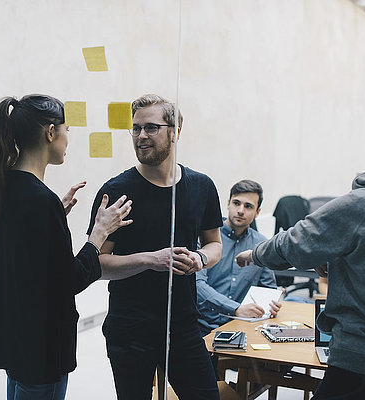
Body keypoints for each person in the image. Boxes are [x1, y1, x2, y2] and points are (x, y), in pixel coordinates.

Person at [236, 99, 365, 400]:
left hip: (361, 371)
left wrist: (254, 253)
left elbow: (295, 242)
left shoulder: (363, 205)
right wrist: (342, 263)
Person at [0, 94, 132, 400]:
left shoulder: (7, 185)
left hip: (18, 341)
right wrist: (98, 235)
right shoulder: (40, 200)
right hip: (41, 348)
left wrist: (55, 216)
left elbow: (23, 257)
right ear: (50, 133)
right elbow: (70, 279)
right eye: (66, 130)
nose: (68, 138)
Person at [87, 94, 223, 400]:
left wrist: (200, 259)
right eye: (135, 129)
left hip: (184, 325)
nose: (141, 136)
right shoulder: (116, 192)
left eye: (151, 128)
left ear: (175, 132)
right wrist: (151, 260)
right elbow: (97, 264)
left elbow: (215, 244)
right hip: (130, 328)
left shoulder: (201, 186)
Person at [196, 179, 280, 337]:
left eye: (248, 206)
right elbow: (197, 285)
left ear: (257, 212)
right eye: (236, 203)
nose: (241, 210)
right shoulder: (206, 237)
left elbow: (267, 289)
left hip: (243, 327)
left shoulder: (261, 244)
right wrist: (235, 308)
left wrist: (271, 304)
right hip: (202, 326)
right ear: (228, 203)